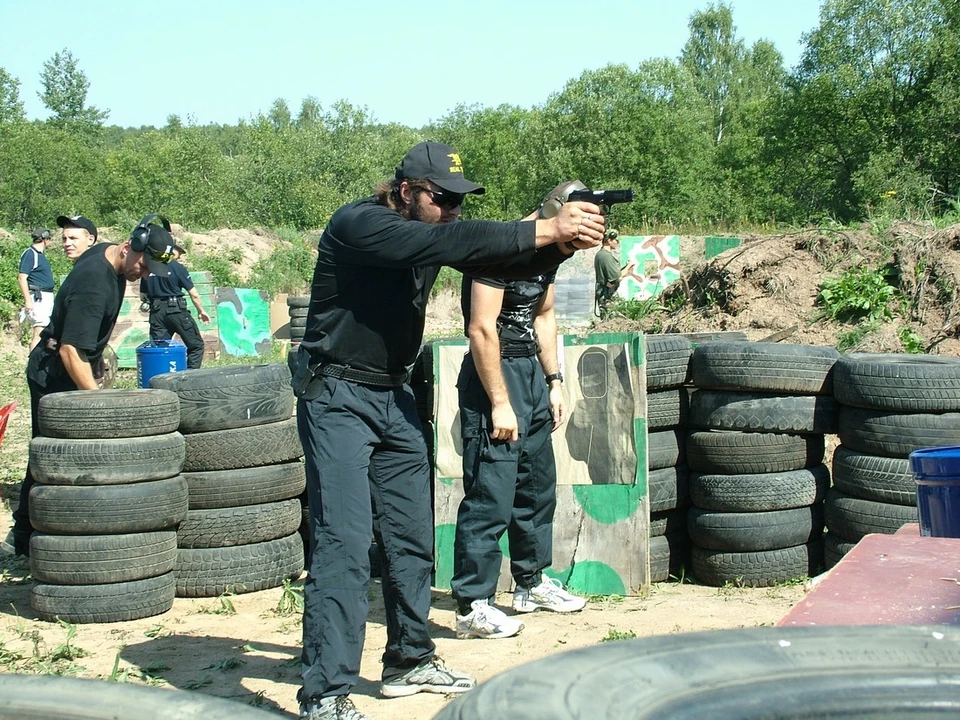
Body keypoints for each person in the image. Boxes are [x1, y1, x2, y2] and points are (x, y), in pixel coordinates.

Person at [291, 141, 605, 720]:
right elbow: (448, 242)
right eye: (443, 199)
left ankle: (409, 660)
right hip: (335, 394)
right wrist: (542, 227)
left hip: (393, 394)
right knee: (345, 542)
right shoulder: (361, 224)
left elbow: (496, 263)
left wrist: (560, 245)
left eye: (461, 202)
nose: (452, 210)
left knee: (411, 537)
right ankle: (326, 693)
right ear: (407, 191)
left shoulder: (432, 226)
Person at [1, 215, 178, 558]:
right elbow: (70, 349)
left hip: (71, 361)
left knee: (56, 455)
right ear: (129, 247)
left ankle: (26, 533)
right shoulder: (95, 283)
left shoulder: (108, 255)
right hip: (54, 371)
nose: (144, 275)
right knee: (51, 457)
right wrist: (98, 404)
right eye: (143, 267)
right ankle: (25, 538)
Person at [451, 267, 586, 641]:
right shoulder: (498, 252)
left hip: (530, 372)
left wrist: (554, 381)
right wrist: (499, 402)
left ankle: (531, 584)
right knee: (489, 494)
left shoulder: (550, 256)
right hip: (494, 372)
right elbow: (480, 329)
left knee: (537, 487)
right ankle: (473, 606)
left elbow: (544, 315)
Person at [140, 246, 210, 369]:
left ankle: (161, 379)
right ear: (172, 252)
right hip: (177, 311)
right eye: (179, 253)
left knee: (160, 350)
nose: (179, 256)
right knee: (196, 346)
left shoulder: (149, 268)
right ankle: (190, 376)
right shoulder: (178, 267)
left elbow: (143, 296)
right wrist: (201, 311)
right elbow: (194, 294)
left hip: (157, 313)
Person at [17, 229, 55, 351]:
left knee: (43, 332)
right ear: (45, 239)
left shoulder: (39, 255)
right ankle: (33, 365)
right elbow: (22, 278)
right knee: (39, 333)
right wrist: (28, 301)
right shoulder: (30, 254)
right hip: (39, 297)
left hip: (46, 296)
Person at [594, 229, 634, 318]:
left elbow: (611, 274)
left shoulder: (601, 255)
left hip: (605, 293)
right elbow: (617, 277)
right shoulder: (606, 256)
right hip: (607, 296)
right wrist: (629, 266)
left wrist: (625, 266)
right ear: (609, 240)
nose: (617, 242)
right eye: (616, 240)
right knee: (612, 321)